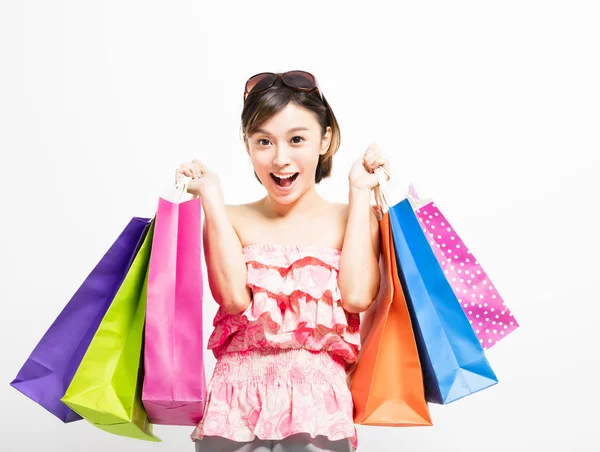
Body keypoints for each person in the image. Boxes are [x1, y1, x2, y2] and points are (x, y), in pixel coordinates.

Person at [176, 70, 391, 452]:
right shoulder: (230, 217)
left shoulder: (354, 216)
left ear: (324, 140)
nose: (280, 159)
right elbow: (233, 300)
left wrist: (359, 193)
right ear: (247, 145)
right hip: (234, 407)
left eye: (296, 140)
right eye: (264, 141)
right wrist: (210, 195)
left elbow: (358, 297)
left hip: (318, 410)